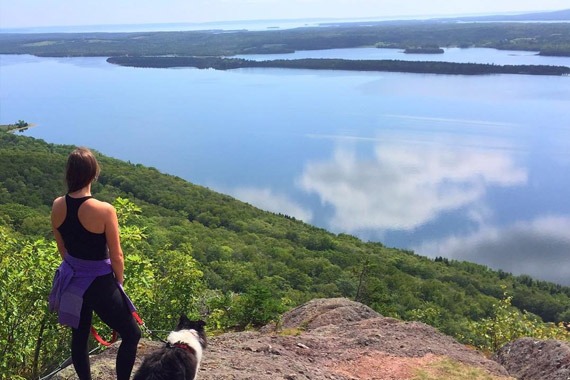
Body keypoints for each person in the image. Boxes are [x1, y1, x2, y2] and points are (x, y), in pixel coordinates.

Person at [49, 147, 141, 380]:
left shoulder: (57, 205)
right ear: (93, 174)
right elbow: (117, 255)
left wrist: (77, 270)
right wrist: (118, 282)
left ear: (69, 173)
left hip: (72, 280)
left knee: (79, 337)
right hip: (100, 283)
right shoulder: (104, 210)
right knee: (131, 334)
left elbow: (62, 248)